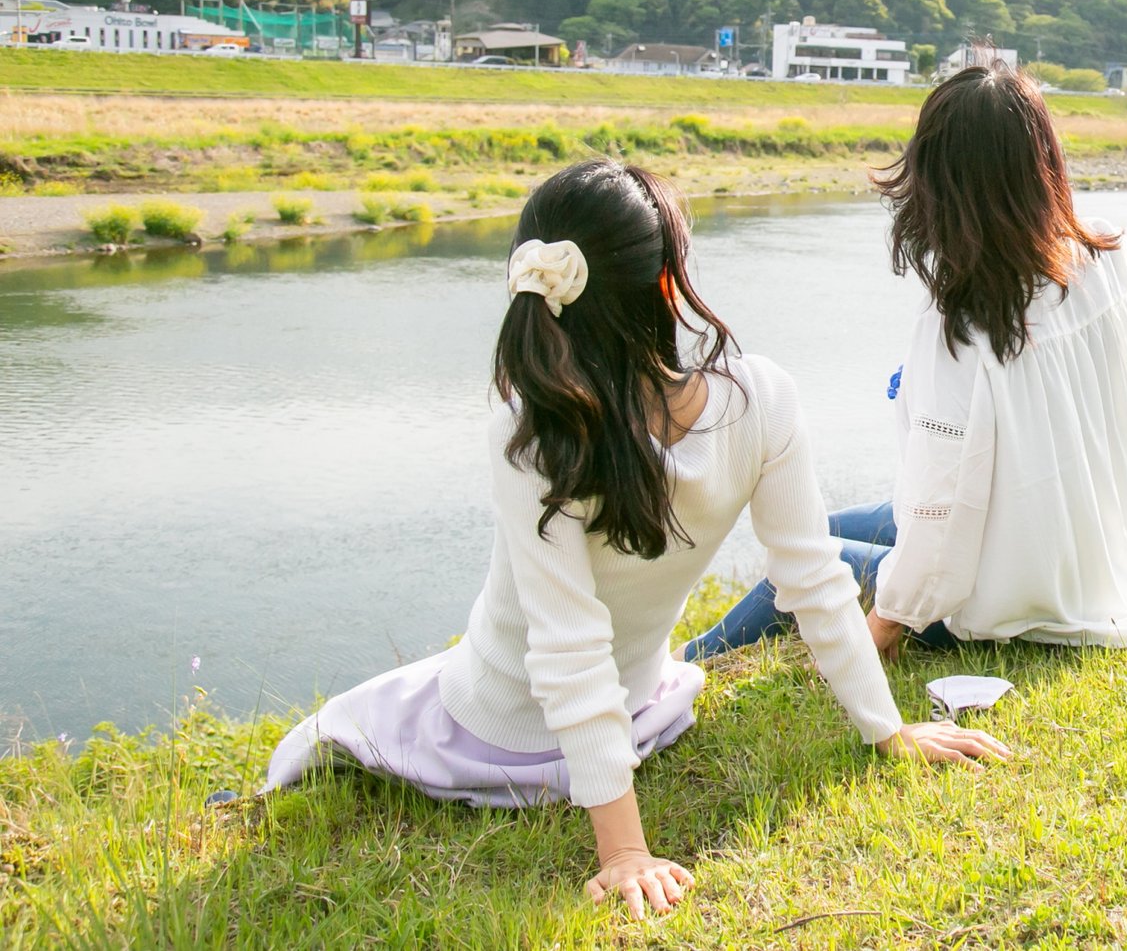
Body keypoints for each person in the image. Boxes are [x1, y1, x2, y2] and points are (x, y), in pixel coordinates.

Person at [266, 160, 1007, 920]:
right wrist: (624, 850)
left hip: (538, 720)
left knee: (365, 717)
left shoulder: (532, 427)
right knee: (352, 732)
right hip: (578, 721)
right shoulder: (753, 399)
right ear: (666, 285)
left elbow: (575, 639)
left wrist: (887, 730)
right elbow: (807, 583)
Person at [683, 64, 1127, 662]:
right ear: (1045, 166)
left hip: (1017, 605)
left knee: (800, 560)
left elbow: (942, 513)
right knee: (819, 526)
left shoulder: (961, 328)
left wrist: (887, 623)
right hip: (1100, 576)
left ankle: (680, 669)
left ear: (938, 183)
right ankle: (679, 666)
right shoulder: (1104, 258)